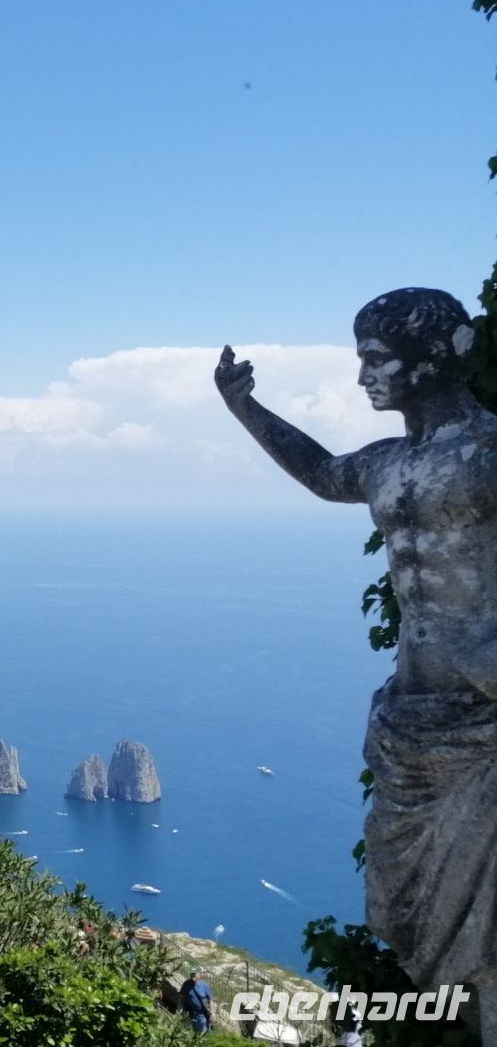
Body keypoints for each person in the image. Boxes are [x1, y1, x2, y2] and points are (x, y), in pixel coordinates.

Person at [216, 288, 497, 1045]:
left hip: (485, 719)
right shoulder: (387, 464)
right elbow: (319, 471)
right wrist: (246, 409)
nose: (362, 376)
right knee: (424, 920)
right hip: (412, 717)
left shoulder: (492, 453)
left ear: (439, 355)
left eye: (377, 358)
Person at [180, 969, 212, 1035]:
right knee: (187, 1033)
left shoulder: (205, 986)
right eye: (192, 974)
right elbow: (181, 997)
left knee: (201, 1034)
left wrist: (211, 1014)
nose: (193, 976)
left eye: (195, 974)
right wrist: (179, 1009)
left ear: (200, 975)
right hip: (189, 1013)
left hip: (202, 1014)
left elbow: (210, 1000)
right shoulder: (186, 984)